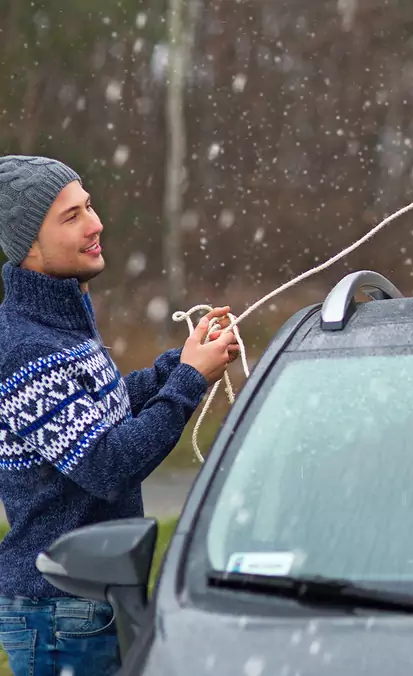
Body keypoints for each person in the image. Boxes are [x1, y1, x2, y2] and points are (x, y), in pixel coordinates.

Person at [0, 155, 240, 676]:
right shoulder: (24, 347)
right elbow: (106, 464)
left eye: (88, 206)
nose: (95, 223)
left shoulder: (62, 319)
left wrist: (179, 362)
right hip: (58, 608)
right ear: (29, 248)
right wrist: (188, 382)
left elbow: (104, 409)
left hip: (93, 592)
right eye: (71, 217)